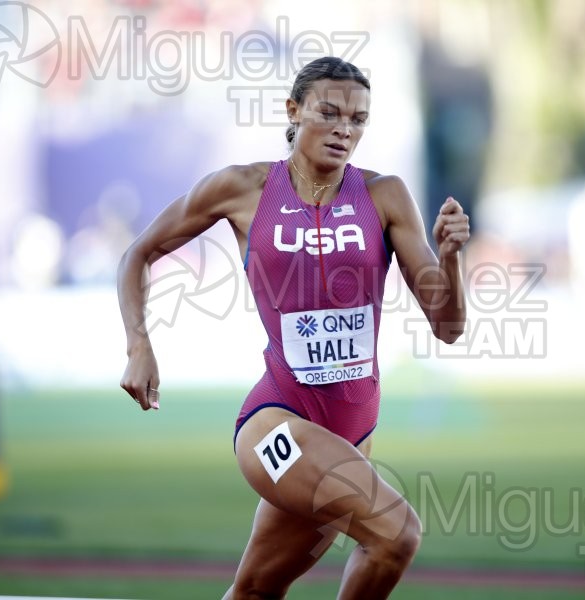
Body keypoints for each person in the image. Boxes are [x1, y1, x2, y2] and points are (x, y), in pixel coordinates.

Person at [117, 56, 469, 599]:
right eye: (329, 113)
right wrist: (139, 345)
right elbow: (138, 254)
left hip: (350, 435)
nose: (344, 129)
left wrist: (450, 258)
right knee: (396, 534)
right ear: (293, 110)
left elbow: (447, 326)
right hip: (276, 425)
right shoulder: (242, 189)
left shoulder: (384, 195)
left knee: (255, 591)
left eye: (358, 119)